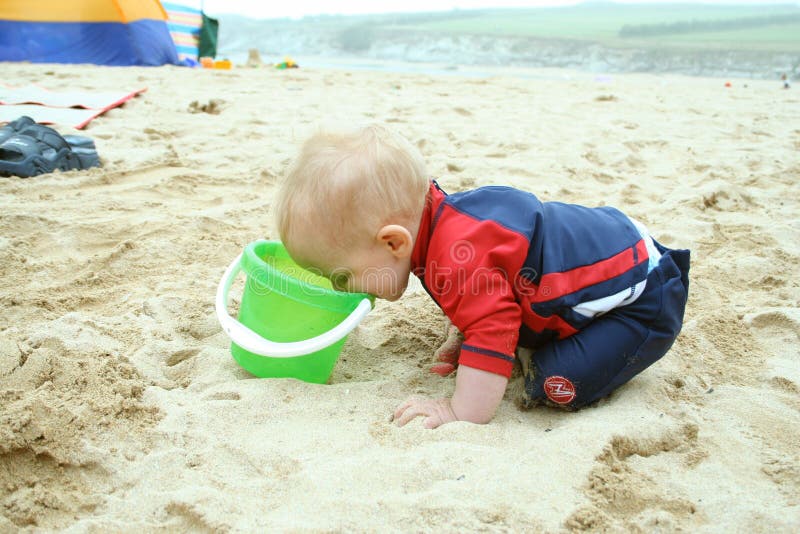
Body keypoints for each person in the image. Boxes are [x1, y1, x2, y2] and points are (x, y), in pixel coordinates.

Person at [274, 124, 690, 429]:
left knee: (553, 383)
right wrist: (467, 329)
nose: (337, 287)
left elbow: (492, 321)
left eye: (342, 276)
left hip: (642, 299)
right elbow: (492, 284)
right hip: (618, 248)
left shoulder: (458, 261)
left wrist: (458, 411)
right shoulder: (435, 223)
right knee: (501, 322)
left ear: (393, 243)